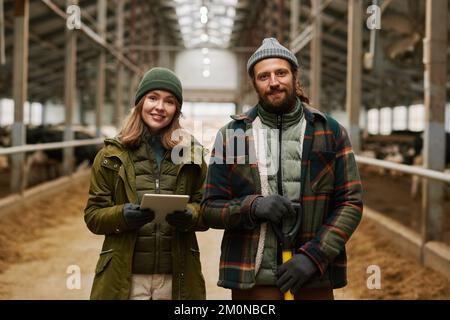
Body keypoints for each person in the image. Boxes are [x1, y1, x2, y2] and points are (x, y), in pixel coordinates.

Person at [201, 38, 363, 300]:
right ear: (254, 83)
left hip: (313, 278)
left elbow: (350, 202)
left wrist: (314, 256)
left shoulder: (329, 131)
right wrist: (251, 207)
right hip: (253, 280)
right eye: (263, 76)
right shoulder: (232, 136)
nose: (273, 82)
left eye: (281, 73)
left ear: (294, 76)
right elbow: (209, 208)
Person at [84, 67, 208, 300]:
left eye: (169, 101)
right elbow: (93, 216)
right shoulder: (111, 155)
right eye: (153, 98)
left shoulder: (192, 155)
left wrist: (191, 215)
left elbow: (207, 209)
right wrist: (121, 215)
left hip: (176, 277)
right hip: (126, 277)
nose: (160, 107)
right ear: (140, 103)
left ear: (176, 110)